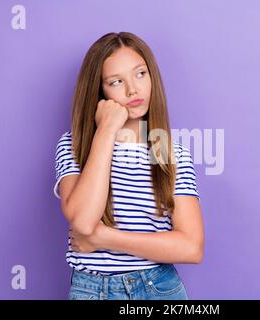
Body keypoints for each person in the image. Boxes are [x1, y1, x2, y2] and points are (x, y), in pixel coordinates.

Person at [53, 32, 204, 300]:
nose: (133, 89)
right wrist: (107, 129)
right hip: (92, 290)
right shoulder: (74, 147)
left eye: (140, 74)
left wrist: (104, 238)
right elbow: (84, 221)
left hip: (159, 288)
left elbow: (191, 247)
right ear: (100, 91)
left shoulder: (170, 152)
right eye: (116, 81)